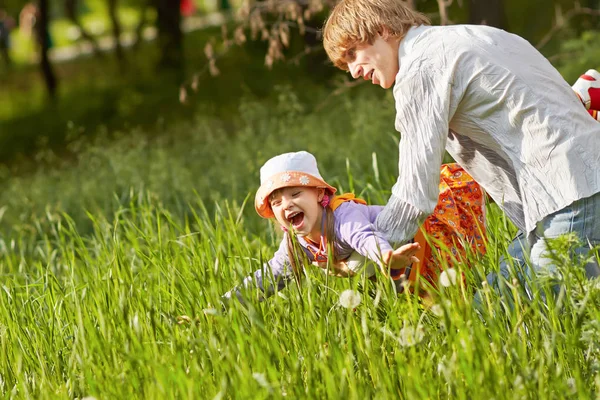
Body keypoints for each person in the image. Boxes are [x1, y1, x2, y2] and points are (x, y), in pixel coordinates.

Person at [322, 0, 600, 298]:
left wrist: (371, 253)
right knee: (493, 307)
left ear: (383, 30)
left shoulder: (420, 69)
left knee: (537, 314)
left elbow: (414, 194)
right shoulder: (476, 36)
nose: (353, 71)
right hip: (572, 183)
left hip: (567, 194)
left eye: (353, 54)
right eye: (344, 63)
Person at [223, 151, 486, 303]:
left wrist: (386, 255)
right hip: (397, 275)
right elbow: (272, 275)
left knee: (460, 295)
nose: (286, 205)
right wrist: (228, 305)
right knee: (437, 310)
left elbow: (364, 237)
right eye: (277, 201)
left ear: (318, 194)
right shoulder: (296, 241)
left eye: (295, 194)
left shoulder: (342, 215)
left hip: (421, 245)